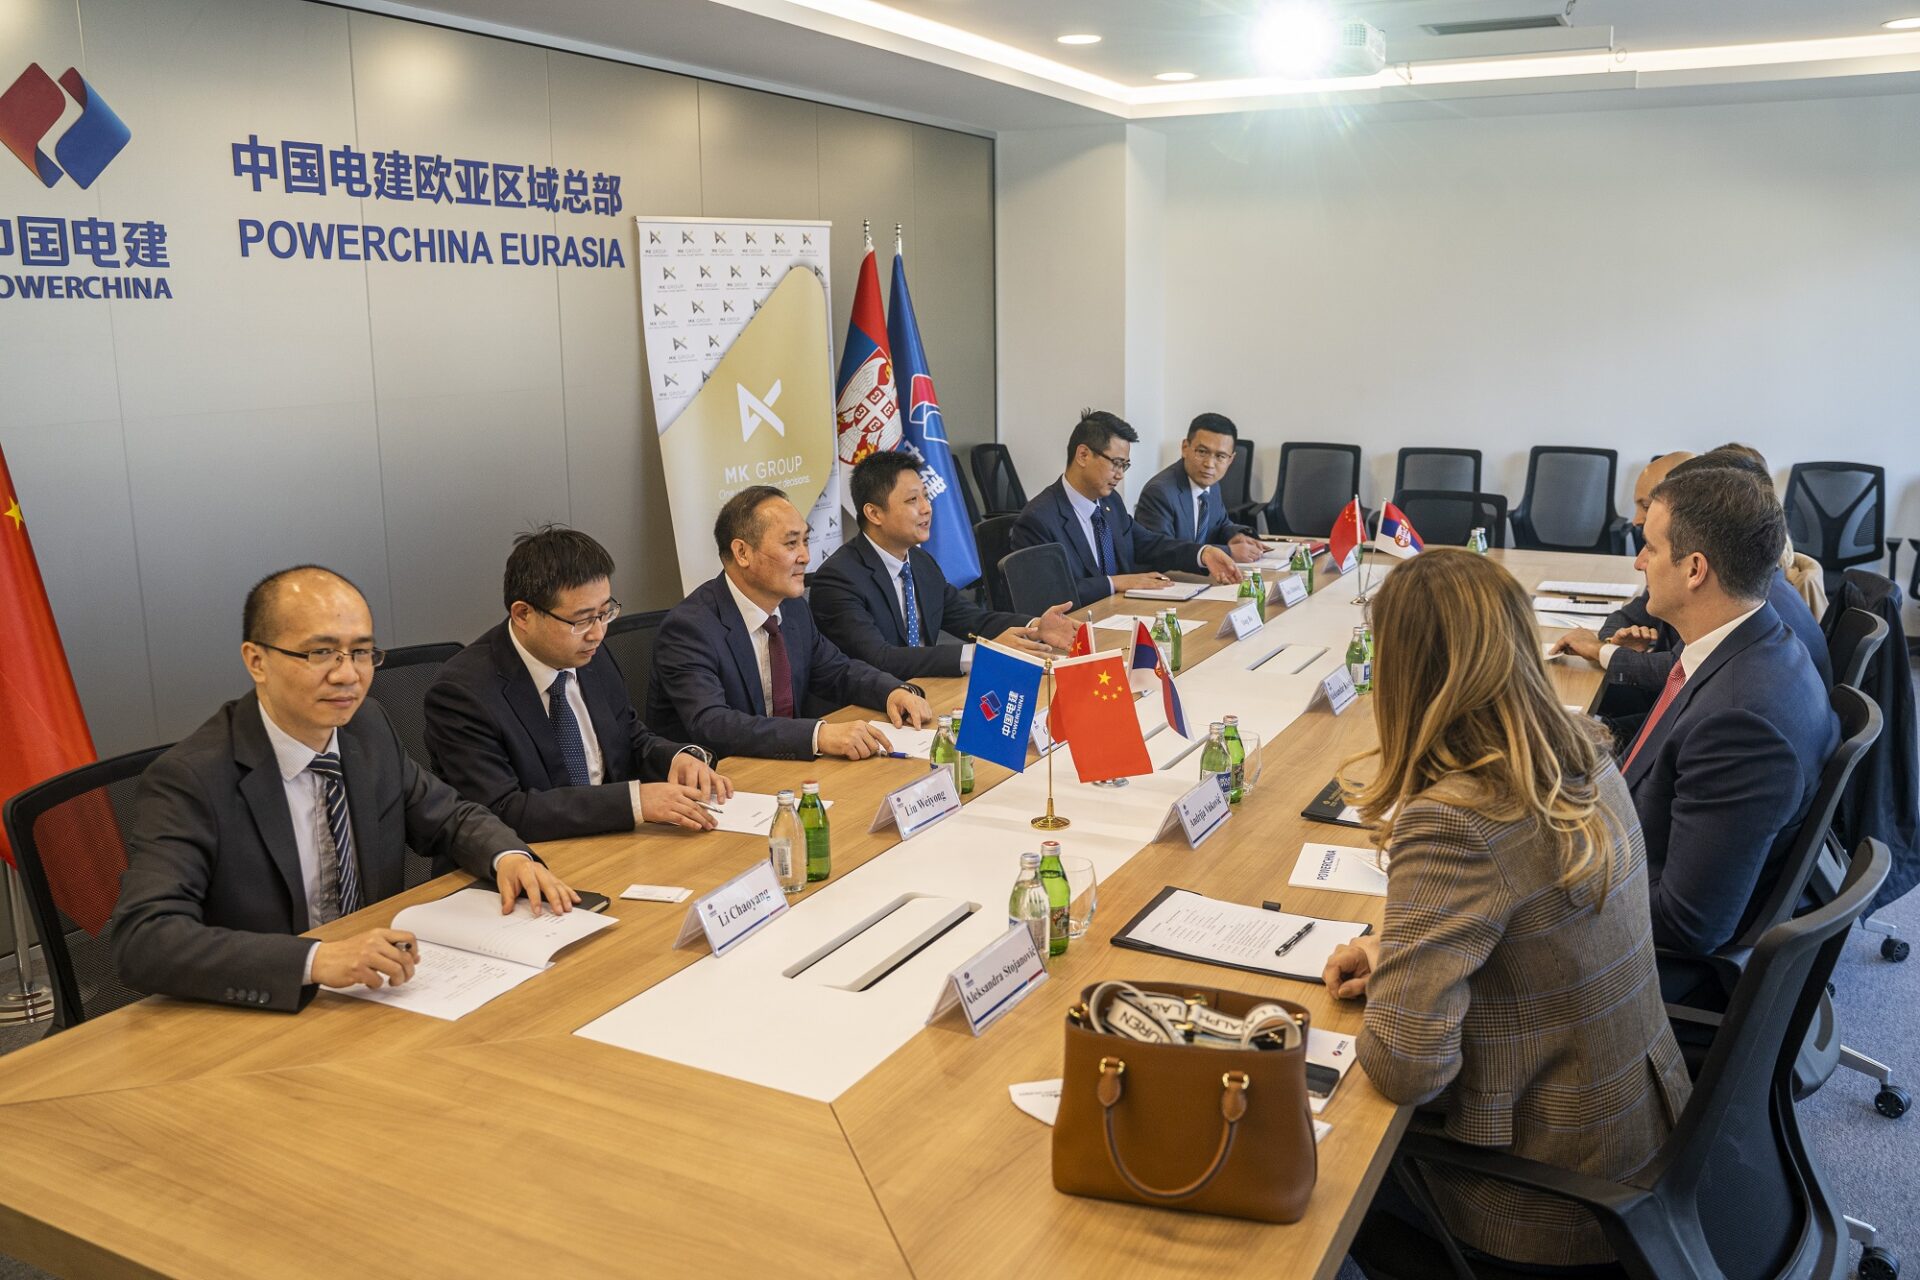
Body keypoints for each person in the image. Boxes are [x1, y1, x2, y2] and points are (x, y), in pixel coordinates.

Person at [1322, 549, 1689, 1273]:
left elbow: (1407, 1069)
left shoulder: (1455, 819)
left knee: (1309, 1174)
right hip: (1631, 1136)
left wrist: (1397, 978)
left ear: (1403, 673)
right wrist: (1398, 949)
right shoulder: (1584, 749)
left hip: (1541, 1198)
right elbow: (1525, 921)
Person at [110, 567, 577, 1012]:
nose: (347, 675)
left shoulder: (365, 727)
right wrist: (315, 959)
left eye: (361, 653)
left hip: (381, 993)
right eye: (320, 653)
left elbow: (448, 816)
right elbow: (144, 939)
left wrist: (507, 857)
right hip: (267, 1010)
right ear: (257, 661)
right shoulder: (192, 778)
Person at [1614, 467, 1839, 964]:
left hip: (1645, 959)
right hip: (1631, 839)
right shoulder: (1757, 639)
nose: (1639, 563)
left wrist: (1559, 869)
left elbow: (1685, 923)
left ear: (1695, 569)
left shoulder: (1741, 725)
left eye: (1650, 548)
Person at [423, 525, 733, 843]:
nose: (597, 633)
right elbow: (501, 810)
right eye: (582, 620)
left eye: (604, 613)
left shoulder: (589, 654)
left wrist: (676, 758)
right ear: (523, 614)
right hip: (524, 857)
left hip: (610, 841)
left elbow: (628, 738)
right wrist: (635, 802)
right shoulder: (462, 693)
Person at [647, 486, 933, 761]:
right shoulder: (689, 628)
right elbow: (713, 723)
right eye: (791, 544)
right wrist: (817, 735)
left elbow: (836, 671)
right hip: (716, 778)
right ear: (742, 553)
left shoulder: (792, 608)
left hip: (782, 767)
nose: (805, 557)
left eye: (805, 541)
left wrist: (892, 691)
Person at [1551, 447, 1833, 693]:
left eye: (1648, 506)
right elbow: (1638, 623)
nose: (1638, 562)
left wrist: (1603, 651)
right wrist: (1611, 645)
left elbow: (1683, 672)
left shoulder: (1748, 609)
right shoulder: (1742, 591)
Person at [811, 451, 1077, 679]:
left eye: (926, 497)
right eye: (912, 500)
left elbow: (972, 619)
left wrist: (1036, 627)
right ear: (874, 513)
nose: (926, 508)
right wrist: (982, 654)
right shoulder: (839, 579)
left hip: (926, 688)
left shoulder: (920, 562)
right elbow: (879, 658)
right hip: (863, 708)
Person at [1009, 409, 1242, 609]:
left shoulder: (1110, 503)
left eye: (1125, 465)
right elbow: (1047, 593)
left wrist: (1203, 553)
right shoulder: (1039, 518)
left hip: (1121, 614)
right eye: (1116, 463)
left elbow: (1148, 543)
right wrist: (1115, 582)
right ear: (1083, 455)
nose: (1120, 475)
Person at [1132, 413, 1264, 563]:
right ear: (1185, 448)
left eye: (1220, 456)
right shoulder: (1159, 492)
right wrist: (1228, 552)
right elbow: (1161, 551)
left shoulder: (1212, 485)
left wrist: (1235, 536)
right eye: (1202, 452)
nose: (1209, 464)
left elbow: (1220, 523)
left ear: (1230, 459)